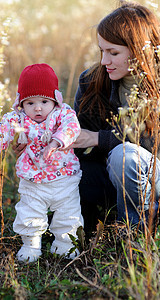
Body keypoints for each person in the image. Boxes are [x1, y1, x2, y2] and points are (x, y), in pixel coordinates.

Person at [0, 63, 84, 262]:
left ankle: (65, 244)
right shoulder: (18, 118)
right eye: (30, 103)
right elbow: (2, 131)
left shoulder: (62, 114)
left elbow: (72, 127)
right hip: (32, 179)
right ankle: (31, 244)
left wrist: (56, 141)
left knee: (68, 213)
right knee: (29, 212)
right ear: (21, 103)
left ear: (55, 99)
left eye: (44, 101)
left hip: (64, 177)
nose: (38, 108)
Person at [72, 1, 160, 235]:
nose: (104, 61)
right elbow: (79, 143)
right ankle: (81, 229)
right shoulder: (90, 81)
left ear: (141, 49)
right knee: (69, 172)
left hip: (154, 177)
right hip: (114, 178)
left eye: (113, 53)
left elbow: (150, 146)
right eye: (102, 51)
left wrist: (100, 139)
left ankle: (137, 233)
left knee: (126, 157)